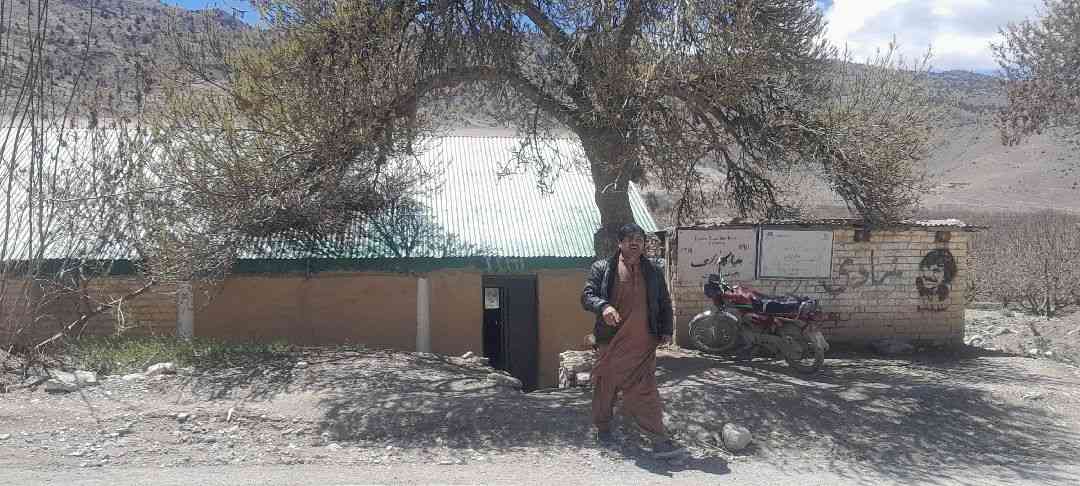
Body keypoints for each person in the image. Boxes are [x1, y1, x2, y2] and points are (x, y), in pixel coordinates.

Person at [581, 223, 687, 459]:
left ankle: (658, 440)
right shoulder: (603, 268)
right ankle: (603, 429)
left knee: (645, 390)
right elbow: (587, 296)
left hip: (643, 344)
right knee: (605, 387)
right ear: (619, 243)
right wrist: (604, 306)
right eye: (629, 238)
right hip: (611, 342)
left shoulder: (653, 271)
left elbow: (664, 302)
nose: (635, 242)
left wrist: (666, 329)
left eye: (639, 239)